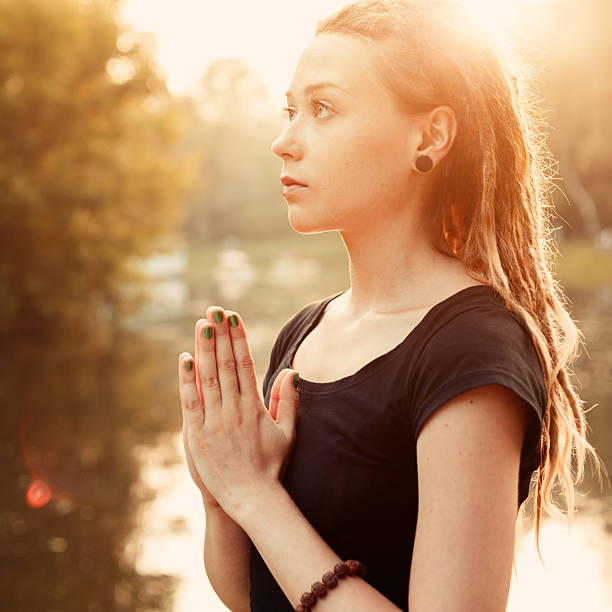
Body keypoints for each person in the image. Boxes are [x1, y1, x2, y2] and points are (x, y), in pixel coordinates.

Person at [177, 1, 605, 610]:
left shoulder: (470, 347)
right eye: (289, 111)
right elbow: (250, 595)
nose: (283, 142)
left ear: (428, 136)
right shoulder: (304, 333)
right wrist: (219, 488)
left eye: (322, 109)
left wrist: (253, 494)